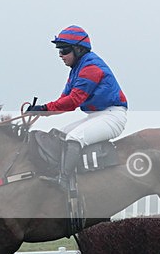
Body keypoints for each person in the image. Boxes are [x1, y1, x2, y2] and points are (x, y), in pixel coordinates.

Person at [27, 25, 128, 194]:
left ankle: (64, 181)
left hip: (113, 117)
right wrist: (40, 111)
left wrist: (43, 108)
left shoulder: (91, 68)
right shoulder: (77, 69)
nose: (60, 55)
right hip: (98, 115)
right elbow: (63, 101)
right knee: (59, 134)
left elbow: (73, 102)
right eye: (59, 50)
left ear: (79, 49)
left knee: (74, 138)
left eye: (64, 50)